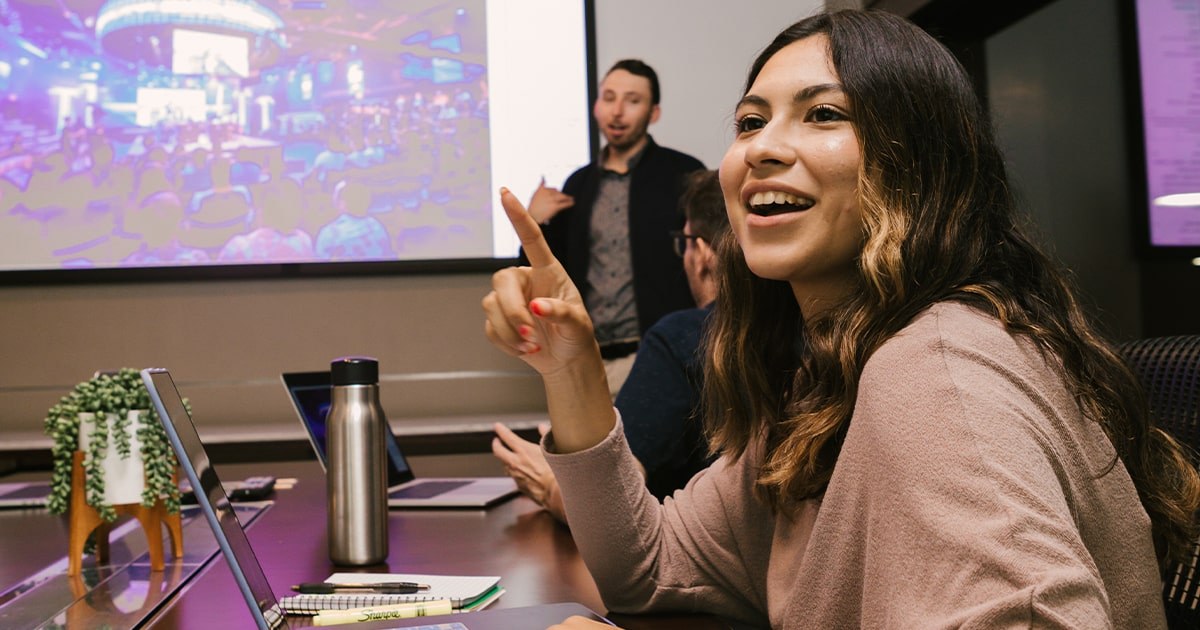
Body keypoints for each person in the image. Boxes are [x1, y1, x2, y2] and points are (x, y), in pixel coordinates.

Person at [483, 9, 1200, 629]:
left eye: (824, 114)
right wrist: (572, 368)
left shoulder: (934, 372)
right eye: (750, 122)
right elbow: (645, 567)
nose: (761, 147)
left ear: (919, 165)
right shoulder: (829, 379)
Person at [493, 170, 726, 520]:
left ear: (703, 252)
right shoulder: (810, 330)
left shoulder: (684, 338)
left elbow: (611, 509)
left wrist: (551, 486)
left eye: (685, 241)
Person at [523, 59, 704, 395]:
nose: (617, 111)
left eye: (632, 101)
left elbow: (714, 264)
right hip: (587, 358)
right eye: (609, 98)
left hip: (662, 357)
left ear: (653, 113)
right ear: (596, 106)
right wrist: (535, 222)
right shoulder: (578, 185)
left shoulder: (685, 174)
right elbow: (544, 274)